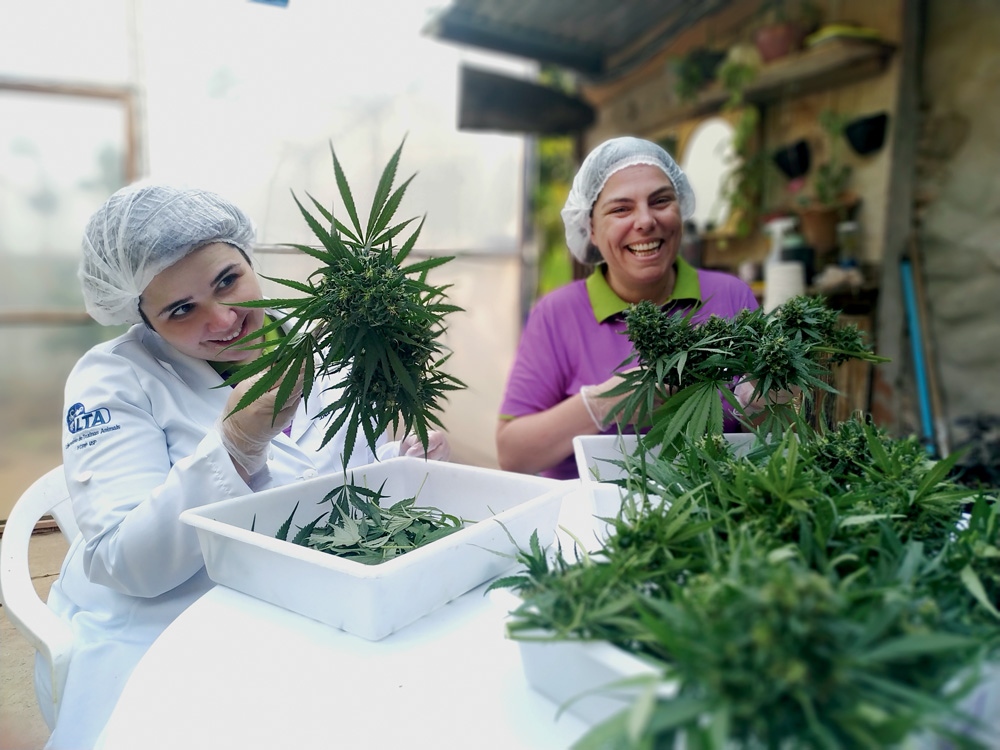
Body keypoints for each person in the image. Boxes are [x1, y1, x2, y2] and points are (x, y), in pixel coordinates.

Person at [38, 183, 450, 749]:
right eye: (181, 310)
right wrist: (234, 446)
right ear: (144, 319)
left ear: (248, 257)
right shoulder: (113, 379)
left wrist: (402, 462)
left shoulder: (318, 334)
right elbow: (123, 560)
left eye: (228, 280)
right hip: (174, 620)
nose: (226, 318)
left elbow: (347, 461)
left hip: (320, 596)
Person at [496, 136, 759, 480]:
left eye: (661, 200)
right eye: (621, 209)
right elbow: (512, 454)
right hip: (590, 521)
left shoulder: (731, 296)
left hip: (712, 509)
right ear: (590, 227)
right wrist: (603, 403)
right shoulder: (558, 313)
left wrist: (771, 400)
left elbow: (771, 434)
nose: (646, 221)